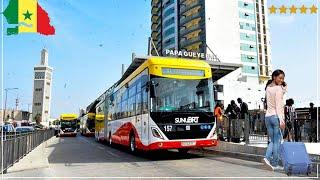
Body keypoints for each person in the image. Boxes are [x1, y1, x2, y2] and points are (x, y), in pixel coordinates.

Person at [263, 69, 287, 171]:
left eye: (283, 78)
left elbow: (283, 90)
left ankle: (270, 160)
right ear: (274, 77)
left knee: (273, 140)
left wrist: (283, 86)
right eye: (280, 78)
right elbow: (278, 106)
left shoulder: (268, 88)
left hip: (268, 117)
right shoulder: (278, 89)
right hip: (276, 117)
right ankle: (270, 160)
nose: (281, 80)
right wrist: (282, 120)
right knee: (275, 142)